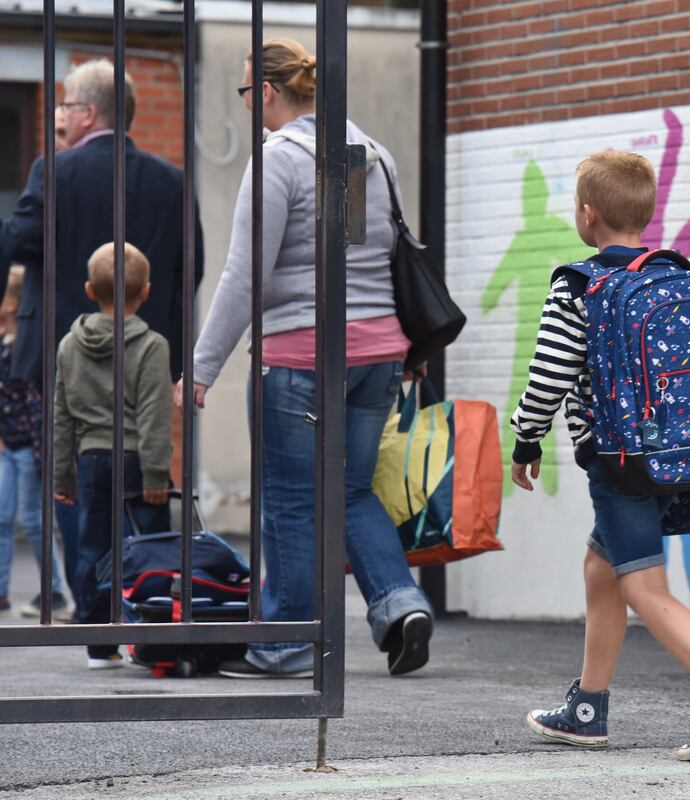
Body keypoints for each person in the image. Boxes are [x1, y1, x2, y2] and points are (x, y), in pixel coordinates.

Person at [182, 39, 432, 679]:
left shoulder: (278, 160)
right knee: (350, 490)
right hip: (377, 354)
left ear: (266, 92)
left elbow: (247, 275)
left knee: (291, 501)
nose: (246, 103)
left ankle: (287, 642)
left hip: (298, 358)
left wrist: (202, 367)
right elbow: (363, 258)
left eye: (246, 92)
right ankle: (401, 604)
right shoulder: (364, 154)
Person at [510, 151, 690, 762]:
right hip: (675, 456)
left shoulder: (579, 287)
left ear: (587, 214)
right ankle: (587, 708)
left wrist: (526, 437)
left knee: (643, 584)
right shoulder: (675, 275)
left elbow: (549, 375)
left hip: (619, 461)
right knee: (602, 568)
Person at [0, 58, 203, 607]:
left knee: (71, 479)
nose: (60, 115)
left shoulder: (53, 171)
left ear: (88, 113)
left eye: (65, 105)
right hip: (146, 353)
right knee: (145, 470)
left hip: (63, 356)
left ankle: (94, 607)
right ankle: (144, 595)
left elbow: (16, 243)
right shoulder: (173, 181)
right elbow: (192, 270)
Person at [53, 242, 171, 669]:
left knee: (92, 549)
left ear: (89, 290)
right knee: (150, 548)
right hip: (138, 459)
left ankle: (98, 644)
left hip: (91, 459)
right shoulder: (151, 345)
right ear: (146, 292)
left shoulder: (70, 345)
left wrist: (62, 477)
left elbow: (61, 416)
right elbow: (155, 414)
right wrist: (156, 473)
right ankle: (151, 637)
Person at [0, 266, 71, 619]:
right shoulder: (3, 346)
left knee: (32, 519)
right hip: (8, 447)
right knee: (2, 516)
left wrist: (42, 454)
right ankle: (1, 591)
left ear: (12, 304)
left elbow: (37, 407)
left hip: (29, 448)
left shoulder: (28, 348)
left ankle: (54, 590)